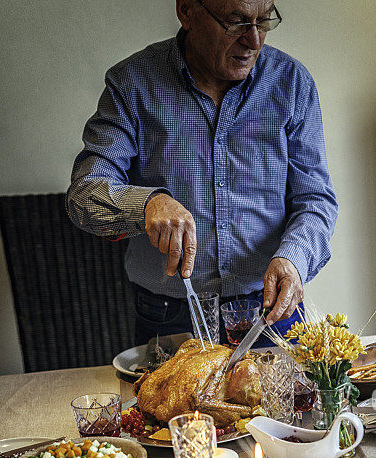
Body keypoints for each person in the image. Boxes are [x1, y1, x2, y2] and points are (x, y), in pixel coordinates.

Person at [66, 0, 338, 346]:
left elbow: (316, 200)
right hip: (170, 315)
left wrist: (294, 259)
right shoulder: (132, 84)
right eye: (236, 21)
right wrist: (147, 204)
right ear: (187, 11)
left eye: (264, 20)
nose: (253, 40)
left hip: (271, 313)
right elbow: (84, 196)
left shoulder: (292, 83)